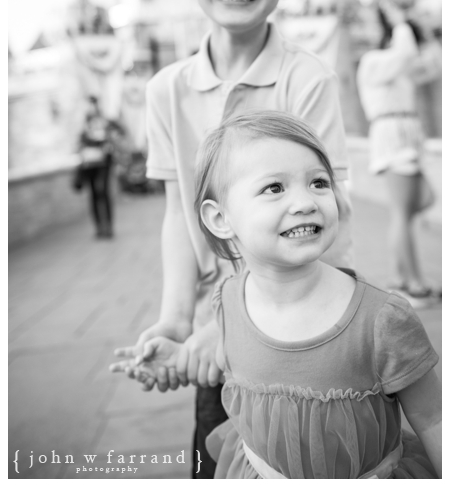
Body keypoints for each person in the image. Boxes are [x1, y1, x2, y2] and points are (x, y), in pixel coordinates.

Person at [110, 0, 352, 478]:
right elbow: (177, 214)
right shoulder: (165, 91)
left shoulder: (307, 82)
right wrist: (174, 320)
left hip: (298, 330)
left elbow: (329, 219)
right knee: (213, 462)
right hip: (209, 334)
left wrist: (239, 326)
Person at [131, 110, 441, 479]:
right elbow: (237, 362)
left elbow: (433, 419)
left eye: (319, 183)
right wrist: (177, 359)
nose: (307, 202)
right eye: (275, 188)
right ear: (220, 219)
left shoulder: (383, 319)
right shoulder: (228, 300)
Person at [356, 0, 439, 307]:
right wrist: (401, 21)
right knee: (402, 214)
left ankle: (400, 277)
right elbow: (405, 53)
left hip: (408, 137)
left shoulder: (397, 64)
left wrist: (424, 33)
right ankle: (412, 284)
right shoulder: (374, 61)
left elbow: (434, 64)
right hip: (391, 136)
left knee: (423, 200)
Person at [78, 97, 117, 238]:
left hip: (103, 163)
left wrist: (107, 141)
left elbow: (116, 135)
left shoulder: (105, 122)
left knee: (103, 192)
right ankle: (99, 227)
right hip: (89, 164)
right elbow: (80, 143)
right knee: (93, 194)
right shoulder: (83, 124)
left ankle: (109, 226)